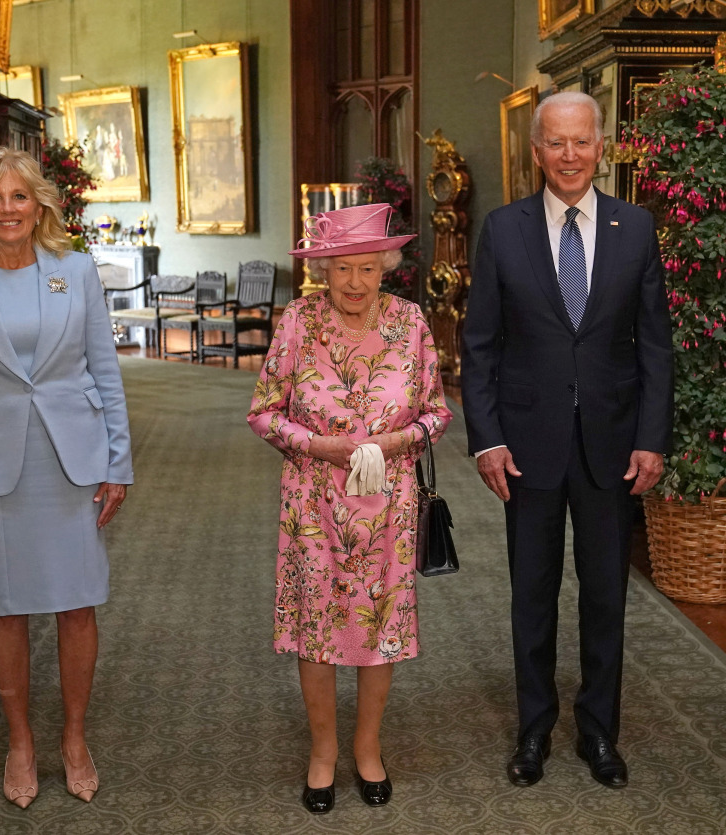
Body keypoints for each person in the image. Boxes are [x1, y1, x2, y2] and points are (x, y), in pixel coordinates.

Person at [461, 91, 674, 790]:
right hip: (528, 446)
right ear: (536, 150)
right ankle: (532, 731)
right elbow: (480, 344)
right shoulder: (503, 229)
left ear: (601, 145)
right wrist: (487, 439)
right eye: (557, 143)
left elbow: (655, 348)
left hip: (614, 448)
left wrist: (652, 438)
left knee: (607, 596)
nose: (571, 156)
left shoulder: (636, 228)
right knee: (533, 594)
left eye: (582, 142)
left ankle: (598, 732)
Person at [0, 147, 133, 809]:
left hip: (72, 460)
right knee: (7, 607)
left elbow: (105, 370)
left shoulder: (74, 271)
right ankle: (20, 739)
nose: (9, 209)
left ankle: (74, 736)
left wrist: (117, 461)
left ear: (39, 203)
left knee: (77, 602)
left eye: (20, 197)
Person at [248, 203, 452, 815]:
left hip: (389, 503)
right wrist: (319, 445)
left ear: (386, 266)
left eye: (367, 268)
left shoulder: (411, 322)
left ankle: (368, 747)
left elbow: (437, 413)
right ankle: (322, 752)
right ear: (324, 272)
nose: (356, 283)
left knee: (378, 625)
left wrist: (390, 444)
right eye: (342, 270)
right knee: (317, 629)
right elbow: (262, 411)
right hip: (313, 501)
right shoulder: (296, 321)